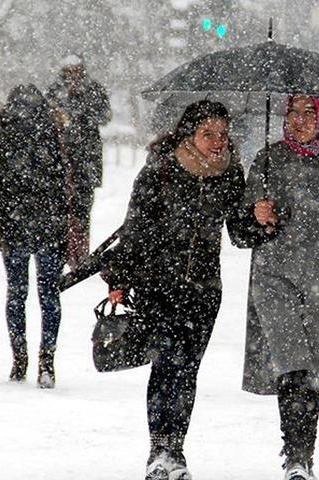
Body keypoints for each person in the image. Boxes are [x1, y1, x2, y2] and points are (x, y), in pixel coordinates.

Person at [102, 101, 267, 480]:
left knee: (187, 370)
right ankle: (159, 450)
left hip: (204, 290)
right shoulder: (161, 169)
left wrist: (259, 218)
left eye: (222, 134)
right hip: (158, 286)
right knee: (166, 365)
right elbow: (135, 228)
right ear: (188, 134)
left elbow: (239, 234)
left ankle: (175, 451)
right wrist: (120, 278)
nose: (217, 141)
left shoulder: (229, 173)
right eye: (208, 134)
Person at [243, 95, 319, 480]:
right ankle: (295, 454)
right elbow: (242, 232)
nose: (300, 120)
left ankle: (303, 453)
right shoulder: (267, 159)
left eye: (309, 112)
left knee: (314, 367)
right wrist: (256, 216)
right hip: (274, 278)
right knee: (291, 362)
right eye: (293, 112)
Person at [0, 85, 70, 387]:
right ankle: (47, 361)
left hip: (15, 226)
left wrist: (0, 217)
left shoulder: (2, 134)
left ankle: (19, 358)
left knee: (16, 294)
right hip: (48, 224)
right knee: (49, 296)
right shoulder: (53, 132)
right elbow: (64, 182)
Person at [45, 54, 111, 268]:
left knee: (82, 211)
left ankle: (79, 255)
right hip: (61, 159)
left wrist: (82, 112)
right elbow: (47, 118)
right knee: (60, 210)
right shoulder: (55, 91)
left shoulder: (93, 90)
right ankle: (62, 252)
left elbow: (105, 116)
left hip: (86, 159)